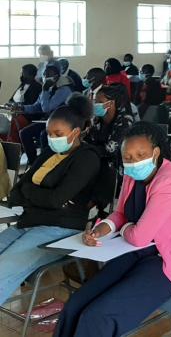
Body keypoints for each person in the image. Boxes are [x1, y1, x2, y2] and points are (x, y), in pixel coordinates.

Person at [55, 122, 171, 337]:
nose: (134, 161)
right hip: (136, 252)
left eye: (141, 154)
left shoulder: (169, 181)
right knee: (75, 305)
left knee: (99, 315)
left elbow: (139, 236)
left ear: (156, 152)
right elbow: (120, 213)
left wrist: (128, 226)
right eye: (128, 157)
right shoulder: (132, 175)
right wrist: (100, 229)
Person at [2, 96, 100, 307]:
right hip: (32, 220)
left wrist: (31, 192)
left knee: (4, 268)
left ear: (75, 132)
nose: (51, 138)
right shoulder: (50, 152)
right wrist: (36, 194)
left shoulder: (87, 158)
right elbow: (20, 187)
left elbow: (55, 199)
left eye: (58, 134)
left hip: (60, 228)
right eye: (48, 133)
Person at [12, 65, 74, 162]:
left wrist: (44, 90)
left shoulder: (64, 90)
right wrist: (21, 107)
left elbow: (47, 108)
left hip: (62, 123)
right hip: (48, 122)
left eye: (49, 74)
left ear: (56, 76)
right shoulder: (47, 90)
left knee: (44, 135)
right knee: (24, 133)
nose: (45, 76)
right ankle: (34, 163)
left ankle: (46, 162)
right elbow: (37, 107)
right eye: (45, 74)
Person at [86, 84, 135, 166]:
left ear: (111, 103)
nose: (95, 105)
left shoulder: (125, 122)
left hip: (115, 164)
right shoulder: (98, 119)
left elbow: (111, 150)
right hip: (96, 160)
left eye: (100, 102)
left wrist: (87, 149)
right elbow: (89, 139)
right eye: (95, 102)